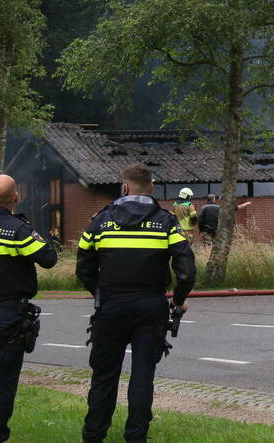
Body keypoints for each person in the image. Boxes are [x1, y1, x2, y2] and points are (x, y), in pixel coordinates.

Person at [77, 163, 196, 443]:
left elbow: (83, 265)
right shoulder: (166, 222)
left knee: (104, 376)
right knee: (143, 375)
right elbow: (187, 270)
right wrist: (178, 301)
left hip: (111, 307)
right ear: (151, 187)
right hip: (150, 306)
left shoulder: (100, 221)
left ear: (125, 187)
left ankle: (94, 435)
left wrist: (99, 293)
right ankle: (136, 436)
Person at [0, 174, 57, 441]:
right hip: (7, 317)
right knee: (2, 382)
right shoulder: (17, 230)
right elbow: (49, 259)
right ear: (15, 198)